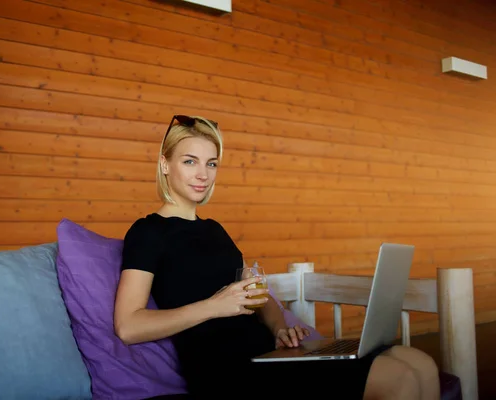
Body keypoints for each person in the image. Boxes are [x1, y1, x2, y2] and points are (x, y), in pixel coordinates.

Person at [113, 115, 440, 399]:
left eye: (211, 163)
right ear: (165, 164)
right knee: (400, 379)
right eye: (190, 161)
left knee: (419, 362)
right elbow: (129, 325)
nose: (203, 174)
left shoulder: (214, 230)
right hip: (228, 373)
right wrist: (214, 306)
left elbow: (258, 297)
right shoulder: (148, 232)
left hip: (268, 353)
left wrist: (280, 326)